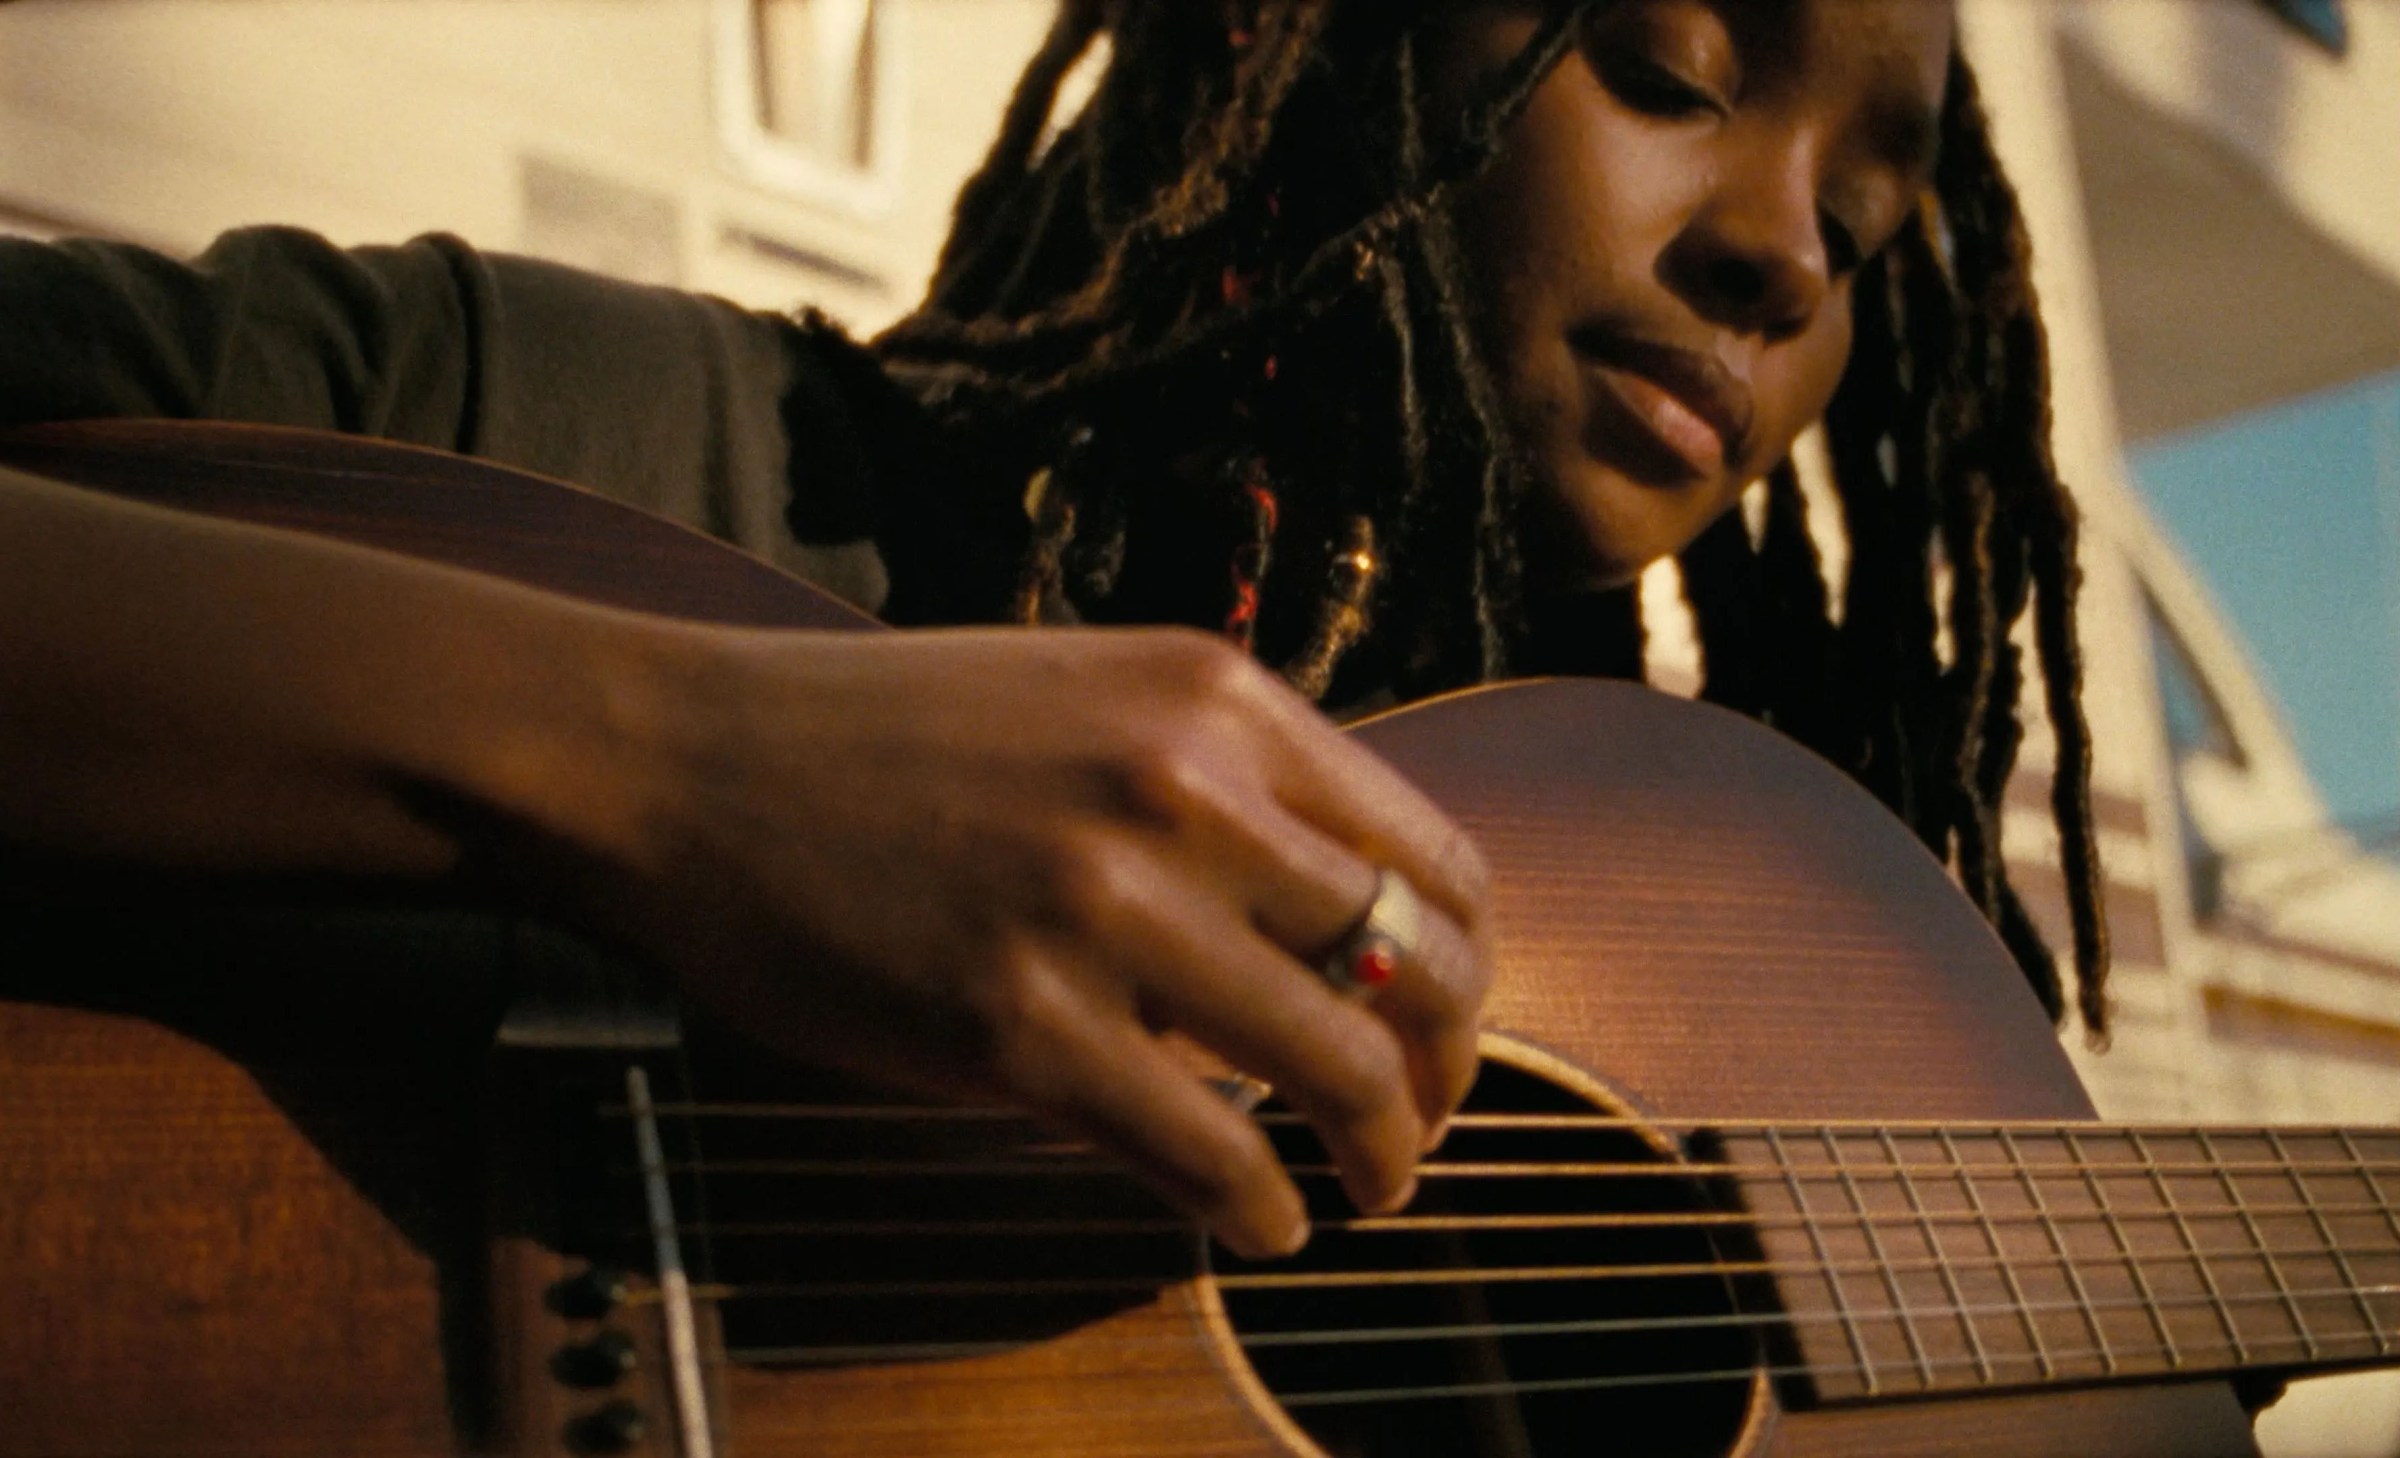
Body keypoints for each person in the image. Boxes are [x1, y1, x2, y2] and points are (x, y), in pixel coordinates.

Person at [0, 0, 2106, 1262]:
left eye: (1870, 225)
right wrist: (659, 762)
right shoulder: (546, 425)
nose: (1780, 252)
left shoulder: (1669, 1001)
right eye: (1667, 63)